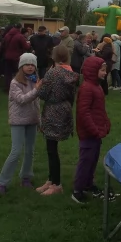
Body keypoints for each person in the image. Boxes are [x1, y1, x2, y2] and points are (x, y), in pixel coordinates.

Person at [0, 53, 44, 195]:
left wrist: (39, 121)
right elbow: (22, 100)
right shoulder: (15, 83)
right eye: (27, 64)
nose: (30, 67)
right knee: (16, 151)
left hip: (32, 120)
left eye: (32, 64)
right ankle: (1, 182)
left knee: (30, 150)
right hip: (18, 121)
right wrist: (36, 90)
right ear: (21, 66)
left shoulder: (35, 81)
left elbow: (36, 104)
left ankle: (26, 177)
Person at [37, 45, 79, 196]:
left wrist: (38, 86)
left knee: (51, 149)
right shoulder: (70, 73)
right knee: (52, 148)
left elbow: (42, 94)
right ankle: (51, 179)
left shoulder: (53, 73)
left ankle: (56, 183)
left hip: (52, 110)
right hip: (65, 109)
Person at [72, 56, 113, 204]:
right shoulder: (87, 88)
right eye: (102, 70)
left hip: (96, 132)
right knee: (86, 161)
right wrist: (94, 129)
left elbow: (99, 110)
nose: (104, 72)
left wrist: (106, 122)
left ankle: (88, 184)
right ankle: (78, 190)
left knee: (93, 160)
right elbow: (84, 112)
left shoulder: (97, 86)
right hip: (89, 133)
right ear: (92, 71)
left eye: (105, 70)